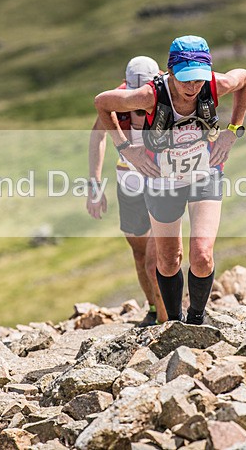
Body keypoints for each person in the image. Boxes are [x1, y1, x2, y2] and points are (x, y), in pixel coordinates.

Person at [95, 35, 246, 325]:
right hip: (163, 182)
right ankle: (173, 322)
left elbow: (244, 78)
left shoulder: (215, 84)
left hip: (205, 174)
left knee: (202, 255)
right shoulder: (149, 95)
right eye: (186, 79)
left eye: (199, 79)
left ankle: (196, 320)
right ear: (171, 72)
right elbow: (102, 103)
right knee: (168, 260)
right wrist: (127, 149)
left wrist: (233, 130)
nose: (193, 87)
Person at [87, 56, 168, 327]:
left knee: (157, 258)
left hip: (161, 183)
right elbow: (97, 136)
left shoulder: (166, 97)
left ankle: (171, 313)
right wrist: (95, 184)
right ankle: (155, 307)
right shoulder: (117, 100)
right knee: (140, 253)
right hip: (129, 184)